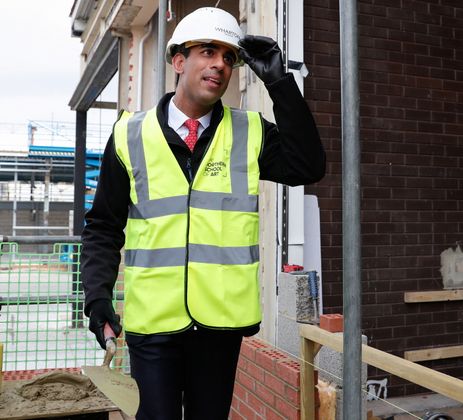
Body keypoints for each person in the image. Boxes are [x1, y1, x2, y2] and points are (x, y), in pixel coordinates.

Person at [80, 7, 325, 420]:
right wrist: (97, 297)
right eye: (208, 51)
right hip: (152, 326)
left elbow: (308, 166)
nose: (219, 65)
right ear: (179, 61)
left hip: (219, 326)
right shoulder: (129, 134)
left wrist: (279, 83)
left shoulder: (249, 131)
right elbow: (103, 225)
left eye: (229, 57)